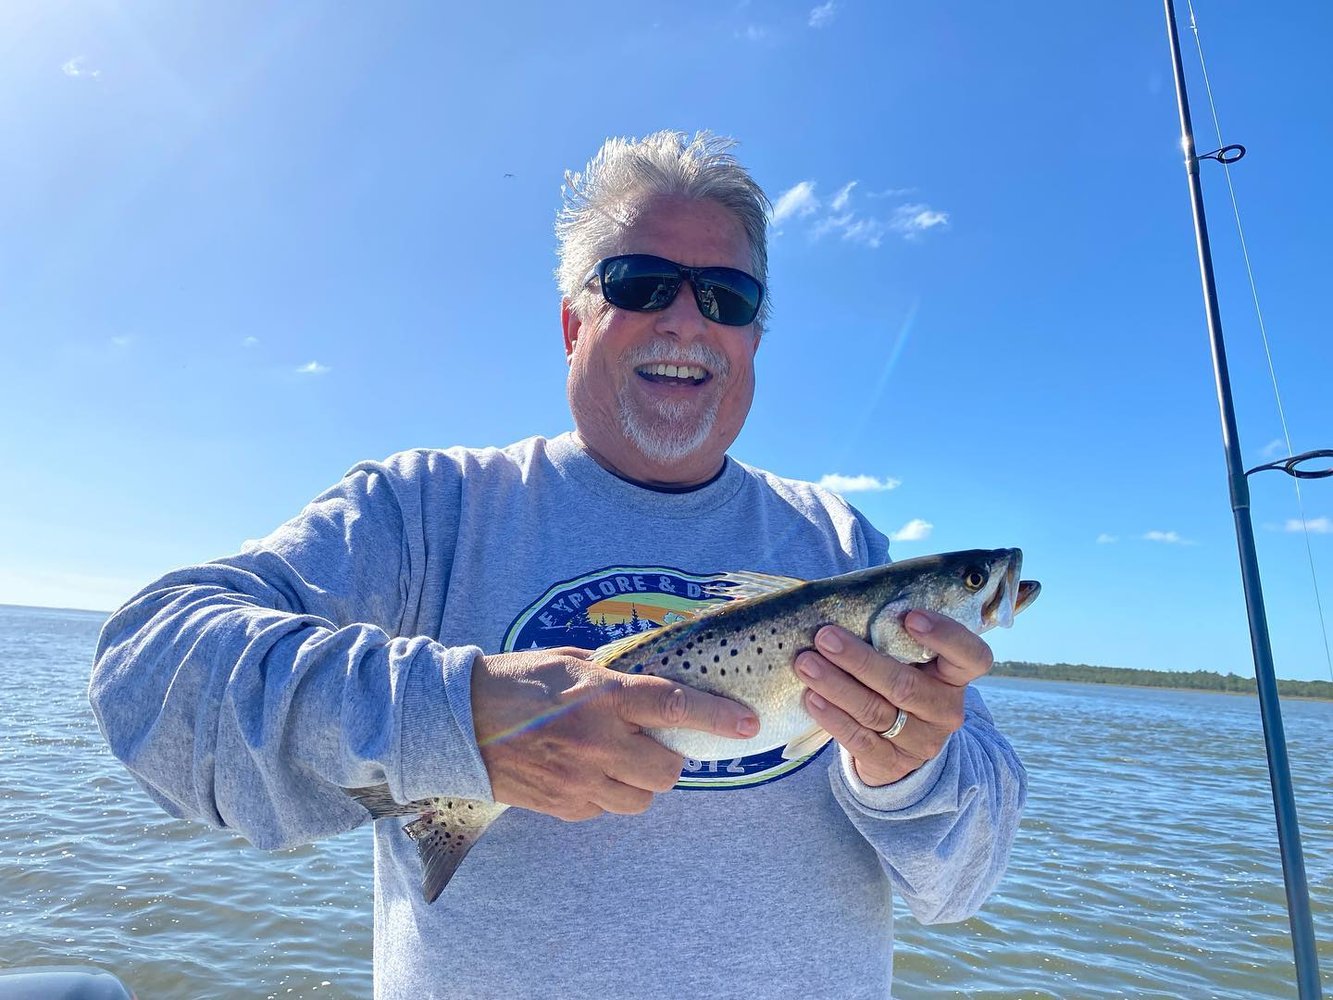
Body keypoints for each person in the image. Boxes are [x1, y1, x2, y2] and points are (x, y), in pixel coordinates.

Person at [90, 130, 1026, 999]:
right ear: (574, 324)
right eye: (641, 282)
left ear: (752, 338)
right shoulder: (426, 510)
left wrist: (910, 770)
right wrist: (458, 716)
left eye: (727, 298)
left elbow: (961, 884)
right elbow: (148, 679)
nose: (686, 322)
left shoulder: (845, 545)